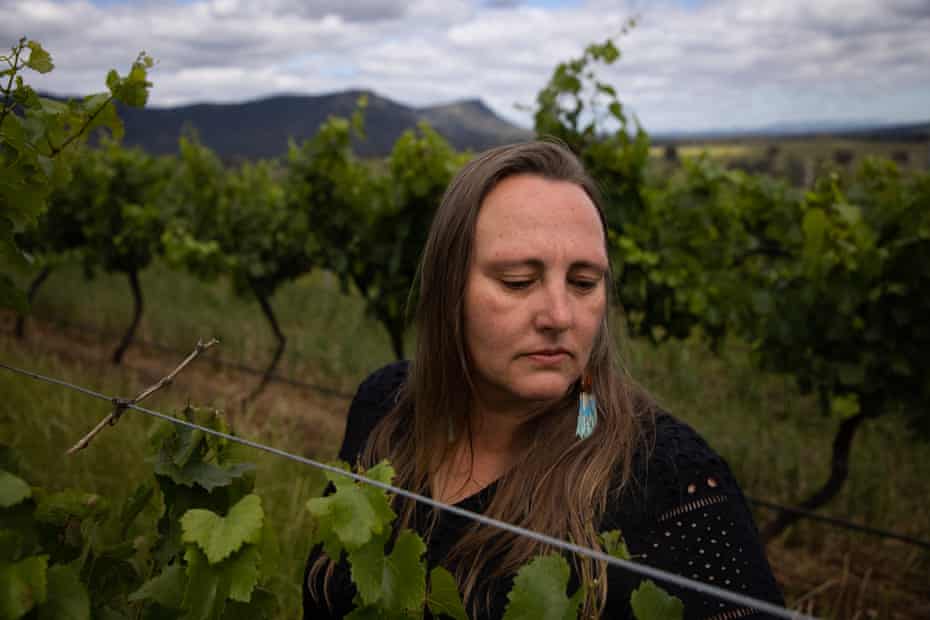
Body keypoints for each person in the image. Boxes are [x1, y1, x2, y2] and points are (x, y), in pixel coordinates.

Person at [303, 140, 784, 619]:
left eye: (583, 283)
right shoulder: (385, 408)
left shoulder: (672, 484)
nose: (559, 315)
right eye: (518, 280)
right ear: (449, 289)